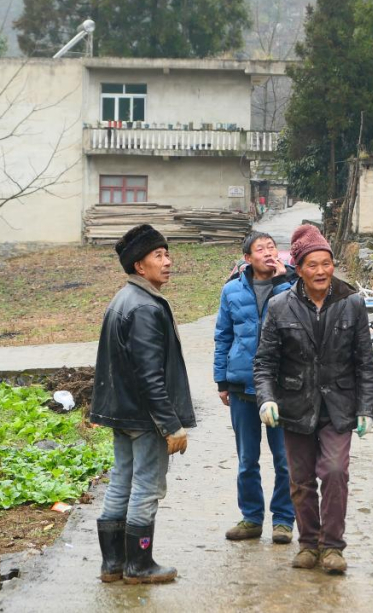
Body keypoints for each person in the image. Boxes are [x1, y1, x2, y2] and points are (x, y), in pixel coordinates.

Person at [254, 224, 373, 575]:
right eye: (313, 265)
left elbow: (364, 361)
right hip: (295, 405)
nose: (321, 271)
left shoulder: (351, 303)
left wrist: (367, 407)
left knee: (336, 472)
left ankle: (333, 546)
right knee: (301, 478)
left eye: (326, 263)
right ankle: (309, 543)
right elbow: (264, 362)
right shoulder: (280, 306)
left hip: (338, 405)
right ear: (298, 268)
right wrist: (266, 399)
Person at [91, 224, 195, 584]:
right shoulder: (145, 308)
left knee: (121, 481)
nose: (168, 262)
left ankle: (113, 565)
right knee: (147, 487)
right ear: (139, 265)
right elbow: (150, 376)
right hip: (145, 416)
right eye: (159, 255)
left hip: (122, 412)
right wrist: (171, 424)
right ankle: (139, 565)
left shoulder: (123, 300)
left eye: (167, 254)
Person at [214, 231, 297, 544]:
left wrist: (281, 282)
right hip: (242, 387)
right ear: (247, 258)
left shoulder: (293, 286)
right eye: (260, 249)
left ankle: (284, 520)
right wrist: (221, 379)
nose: (267, 252)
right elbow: (223, 335)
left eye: (272, 247)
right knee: (247, 459)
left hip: (282, 387)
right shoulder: (231, 291)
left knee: (285, 459)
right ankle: (251, 518)